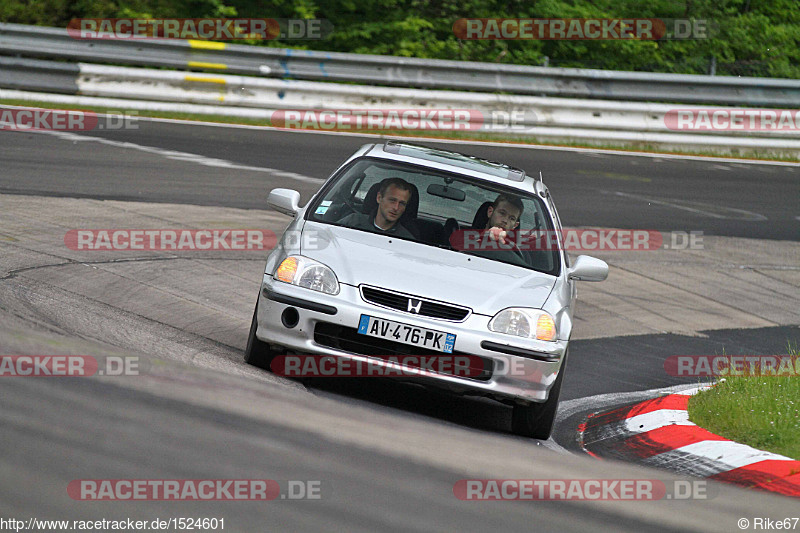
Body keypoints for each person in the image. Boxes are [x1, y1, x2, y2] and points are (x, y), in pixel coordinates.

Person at [337, 178, 415, 239]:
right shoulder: (353, 221)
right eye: (392, 200)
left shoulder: (407, 239)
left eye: (402, 203)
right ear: (379, 198)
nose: (396, 207)